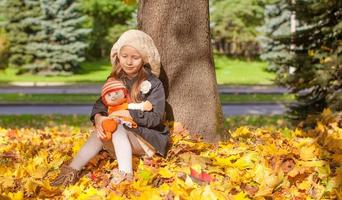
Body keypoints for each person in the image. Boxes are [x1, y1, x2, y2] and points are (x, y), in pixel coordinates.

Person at [51, 30, 169, 186]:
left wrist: (127, 113)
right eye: (124, 56)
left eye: (135, 57)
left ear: (144, 59)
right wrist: (99, 118)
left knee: (116, 126)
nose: (128, 62)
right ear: (118, 56)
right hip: (121, 138)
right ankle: (71, 171)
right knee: (100, 132)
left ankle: (125, 175)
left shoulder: (153, 84)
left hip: (146, 140)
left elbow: (155, 119)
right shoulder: (115, 79)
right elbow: (101, 103)